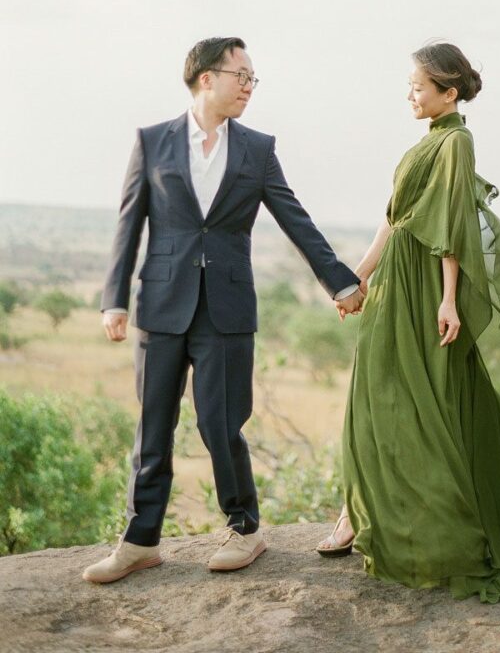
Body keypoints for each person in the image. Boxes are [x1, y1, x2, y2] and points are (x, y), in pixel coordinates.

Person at [83, 37, 364, 584]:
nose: (249, 87)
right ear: (206, 78)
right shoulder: (152, 141)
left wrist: (340, 282)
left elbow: (294, 219)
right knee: (153, 424)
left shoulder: (257, 149)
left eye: (254, 79)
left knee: (220, 423)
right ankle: (140, 540)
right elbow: (129, 222)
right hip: (160, 305)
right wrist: (113, 299)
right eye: (242, 76)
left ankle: (245, 528)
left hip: (227, 309)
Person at [317, 42, 500, 603]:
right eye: (411, 86)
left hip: (425, 291)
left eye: (418, 86)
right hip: (397, 283)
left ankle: (369, 519)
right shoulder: (431, 141)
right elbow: (395, 221)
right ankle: (359, 513)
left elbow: (452, 228)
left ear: (450, 92)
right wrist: (355, 280)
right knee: (378, 394)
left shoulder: (457, 142)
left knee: (417, 400)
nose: (410, 95)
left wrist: (447, 300)